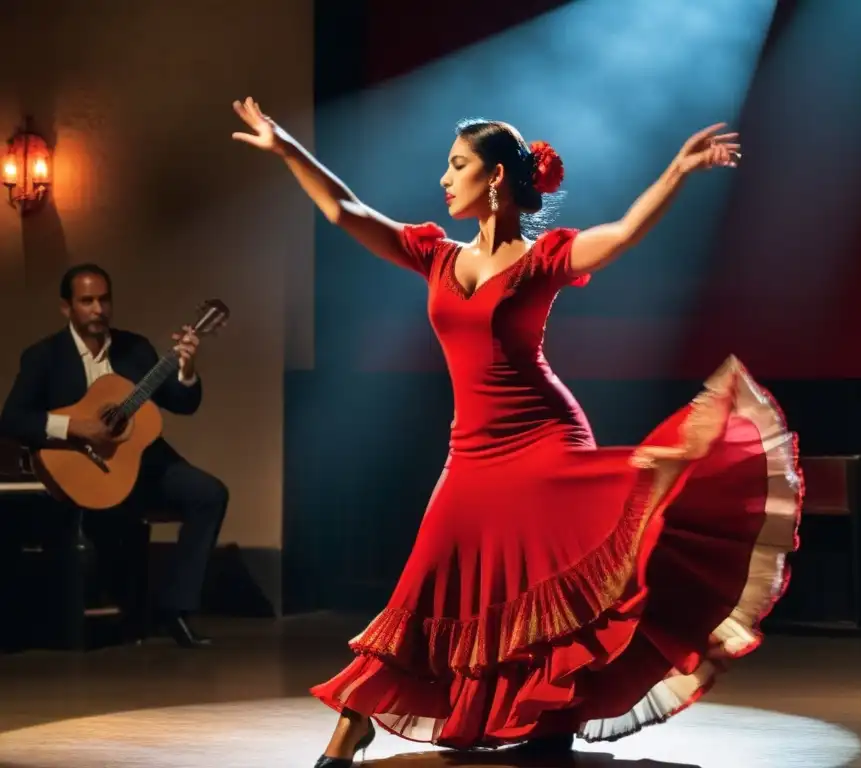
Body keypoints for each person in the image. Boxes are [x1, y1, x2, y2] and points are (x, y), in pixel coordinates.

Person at [232, 97, 801, 766]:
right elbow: (345, 210)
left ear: (495, 177)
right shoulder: (433, 255)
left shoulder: (544, 259)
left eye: (457, 165)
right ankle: (353, 722)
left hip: (544, 442)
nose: (444, 180)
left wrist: (676, 171)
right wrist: (287, 148)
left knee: (555, 587)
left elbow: (618, 236)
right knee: (425, 586)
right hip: (470, 454)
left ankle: (550, 716)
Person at [0, 264, 228, 649]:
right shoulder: (44, 356)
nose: (98, 309)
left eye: (103, 299)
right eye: (86, 301)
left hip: (142, 463)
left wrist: (186, 369)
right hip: (83, 472)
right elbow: (13, 418)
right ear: (66, 308)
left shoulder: (135, 349)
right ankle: (120, 614)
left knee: (210, 493)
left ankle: (175, 609)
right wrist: (76, 428)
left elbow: (182, 403)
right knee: (108, 523)